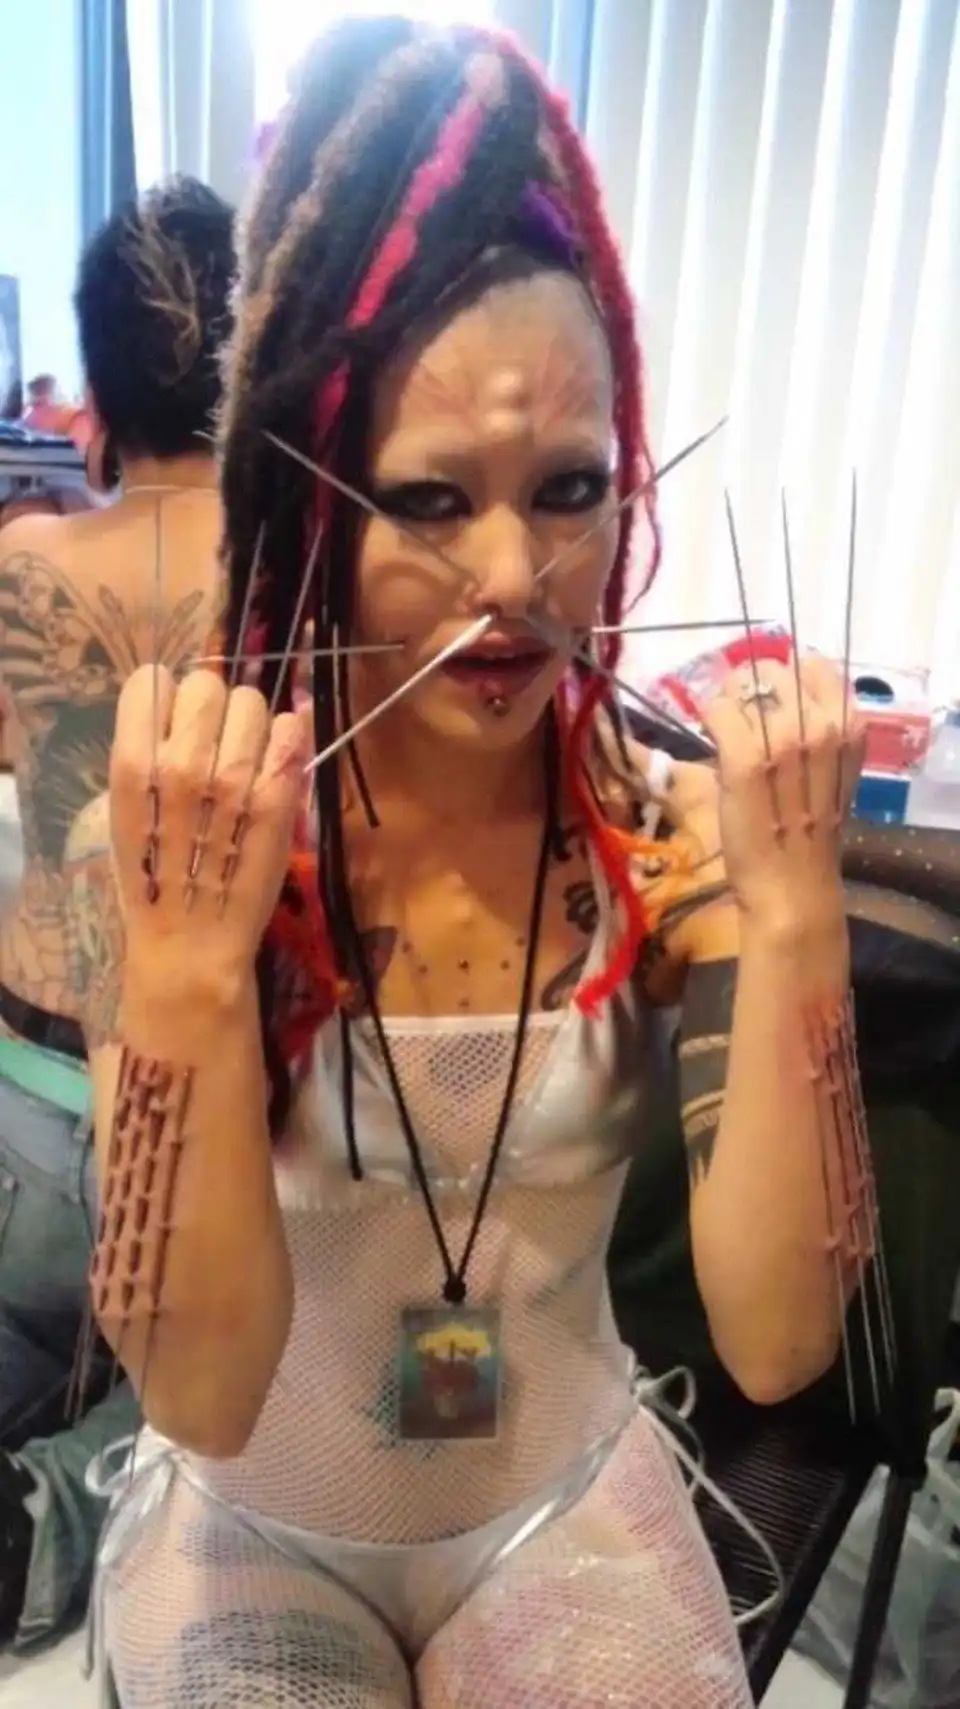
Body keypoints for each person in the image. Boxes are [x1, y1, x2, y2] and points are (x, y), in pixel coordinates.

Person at [68, 18, 875, 1706]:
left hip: (557, 1500)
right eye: (430, 500)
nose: (515, 575)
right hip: (260, 1517)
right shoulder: (192, 857)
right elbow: (198, 1392)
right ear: (307, 502)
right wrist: (194, 967)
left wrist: (799, 913)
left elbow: (781, 1344)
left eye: (570, 488)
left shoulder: (665, 849)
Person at [0, 175, 233, 1651]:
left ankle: (55, 1468)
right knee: (219, 1405)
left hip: (32, 1090)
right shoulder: (307, 579)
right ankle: (71, 1504)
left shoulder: (21, 564)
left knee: (46, 1327)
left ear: (92, 391)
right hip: (211, 1111)